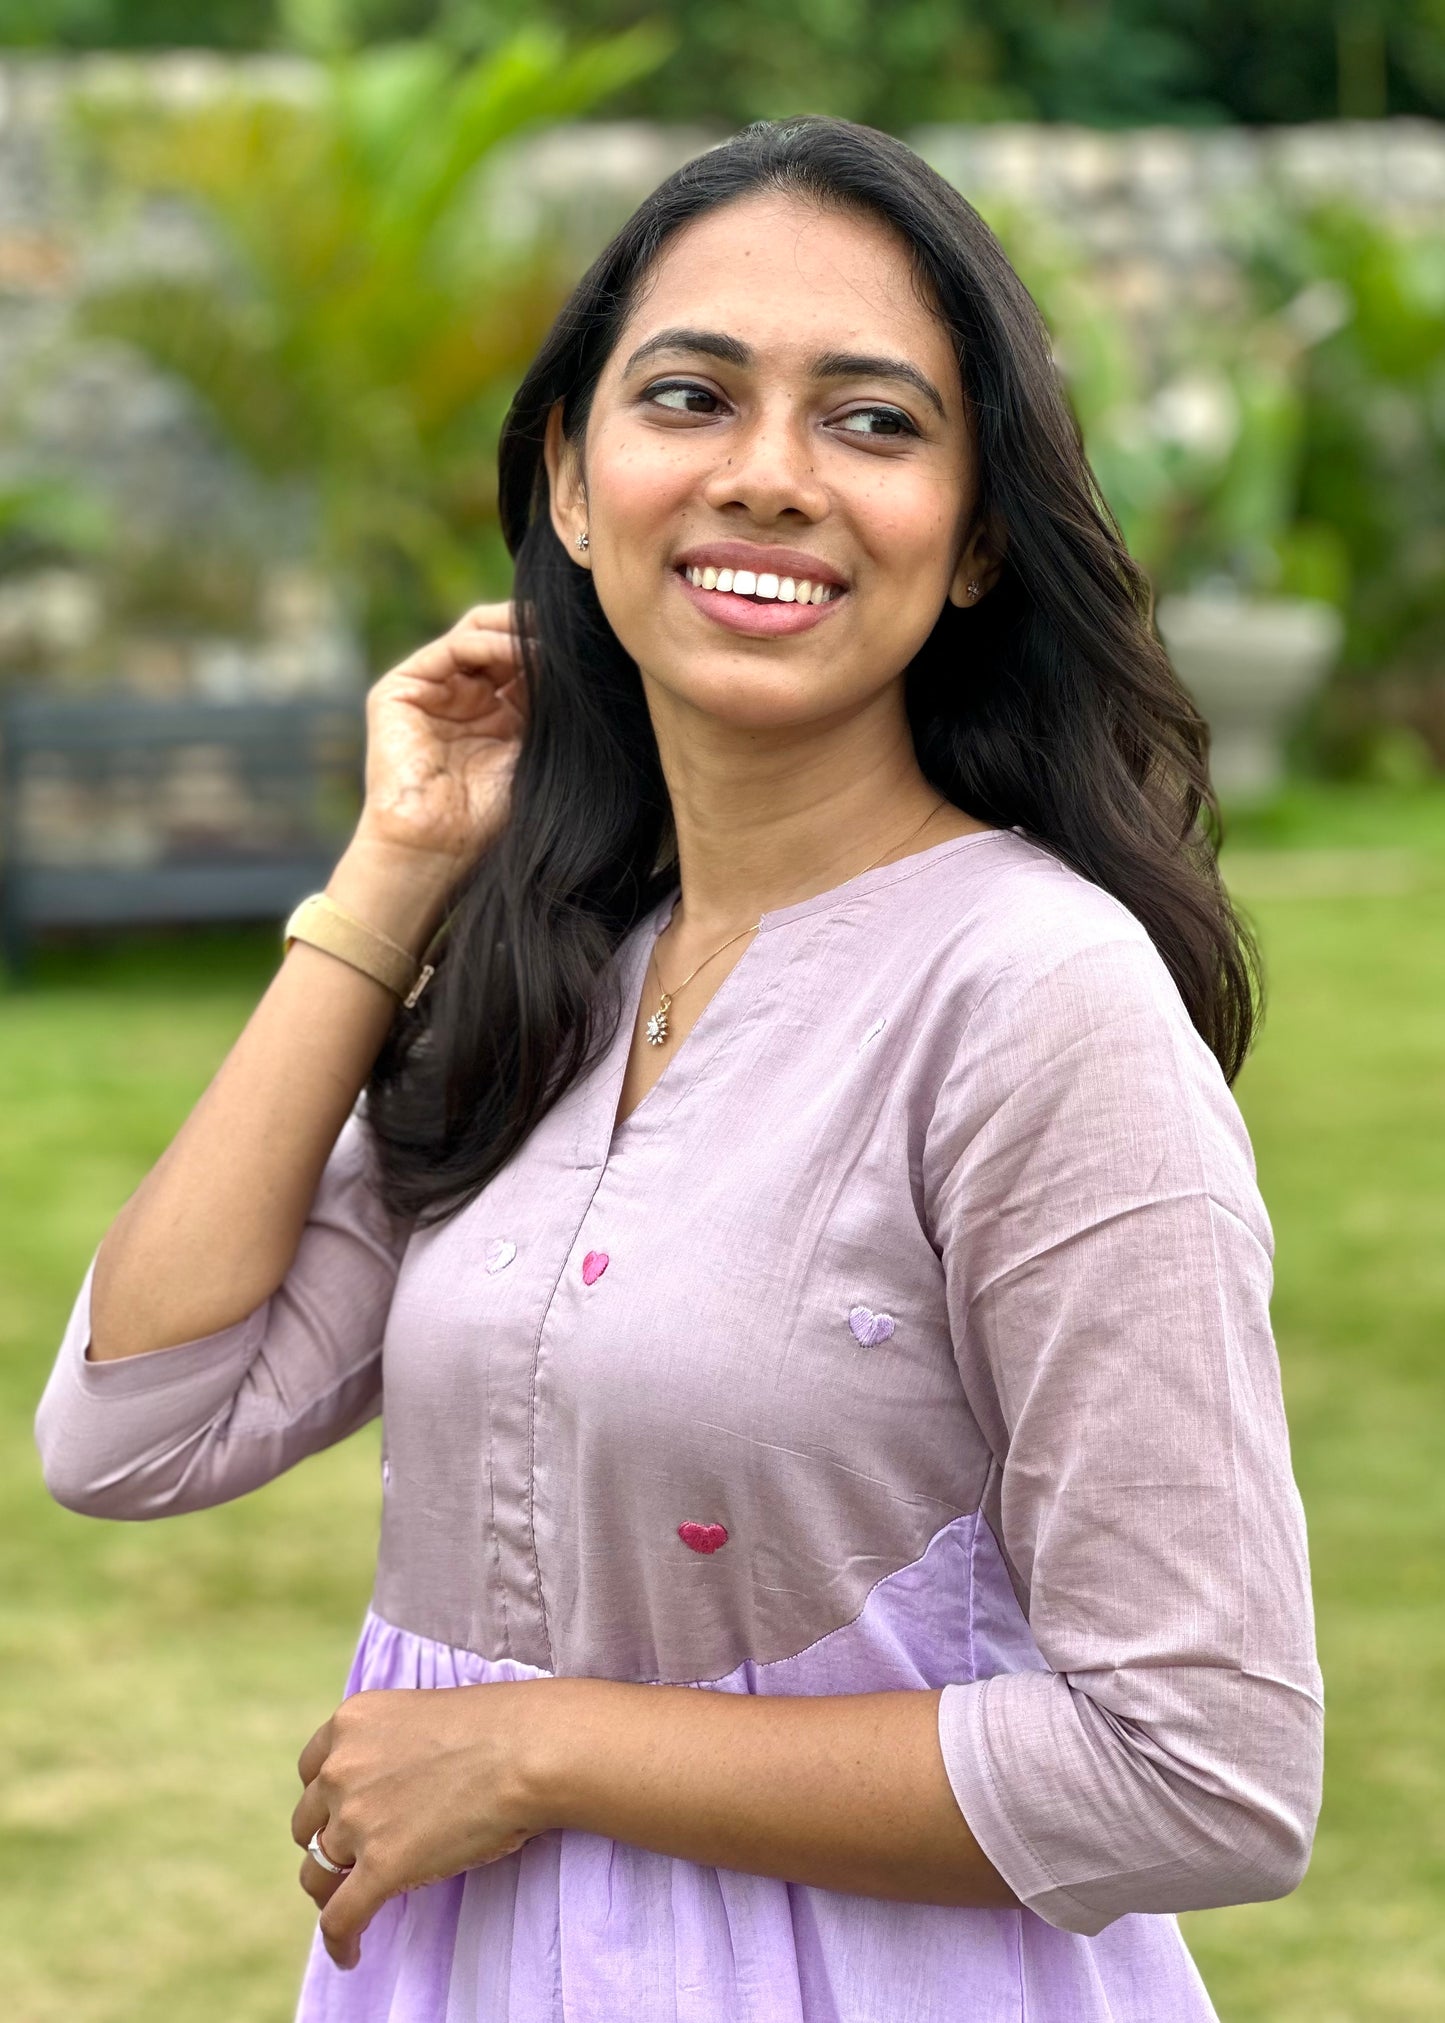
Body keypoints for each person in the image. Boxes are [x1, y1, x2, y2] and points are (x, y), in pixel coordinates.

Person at [35, 116, 1322, 2023]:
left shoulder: (1036, 1000)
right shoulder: (559, 970)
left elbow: (1203, 1766)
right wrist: (395, 879)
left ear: (975, 540)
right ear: (571, 478)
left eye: (873, 421)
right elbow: (132, 1430)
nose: (769, 477)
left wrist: (541, 1750)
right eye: (689, 395)